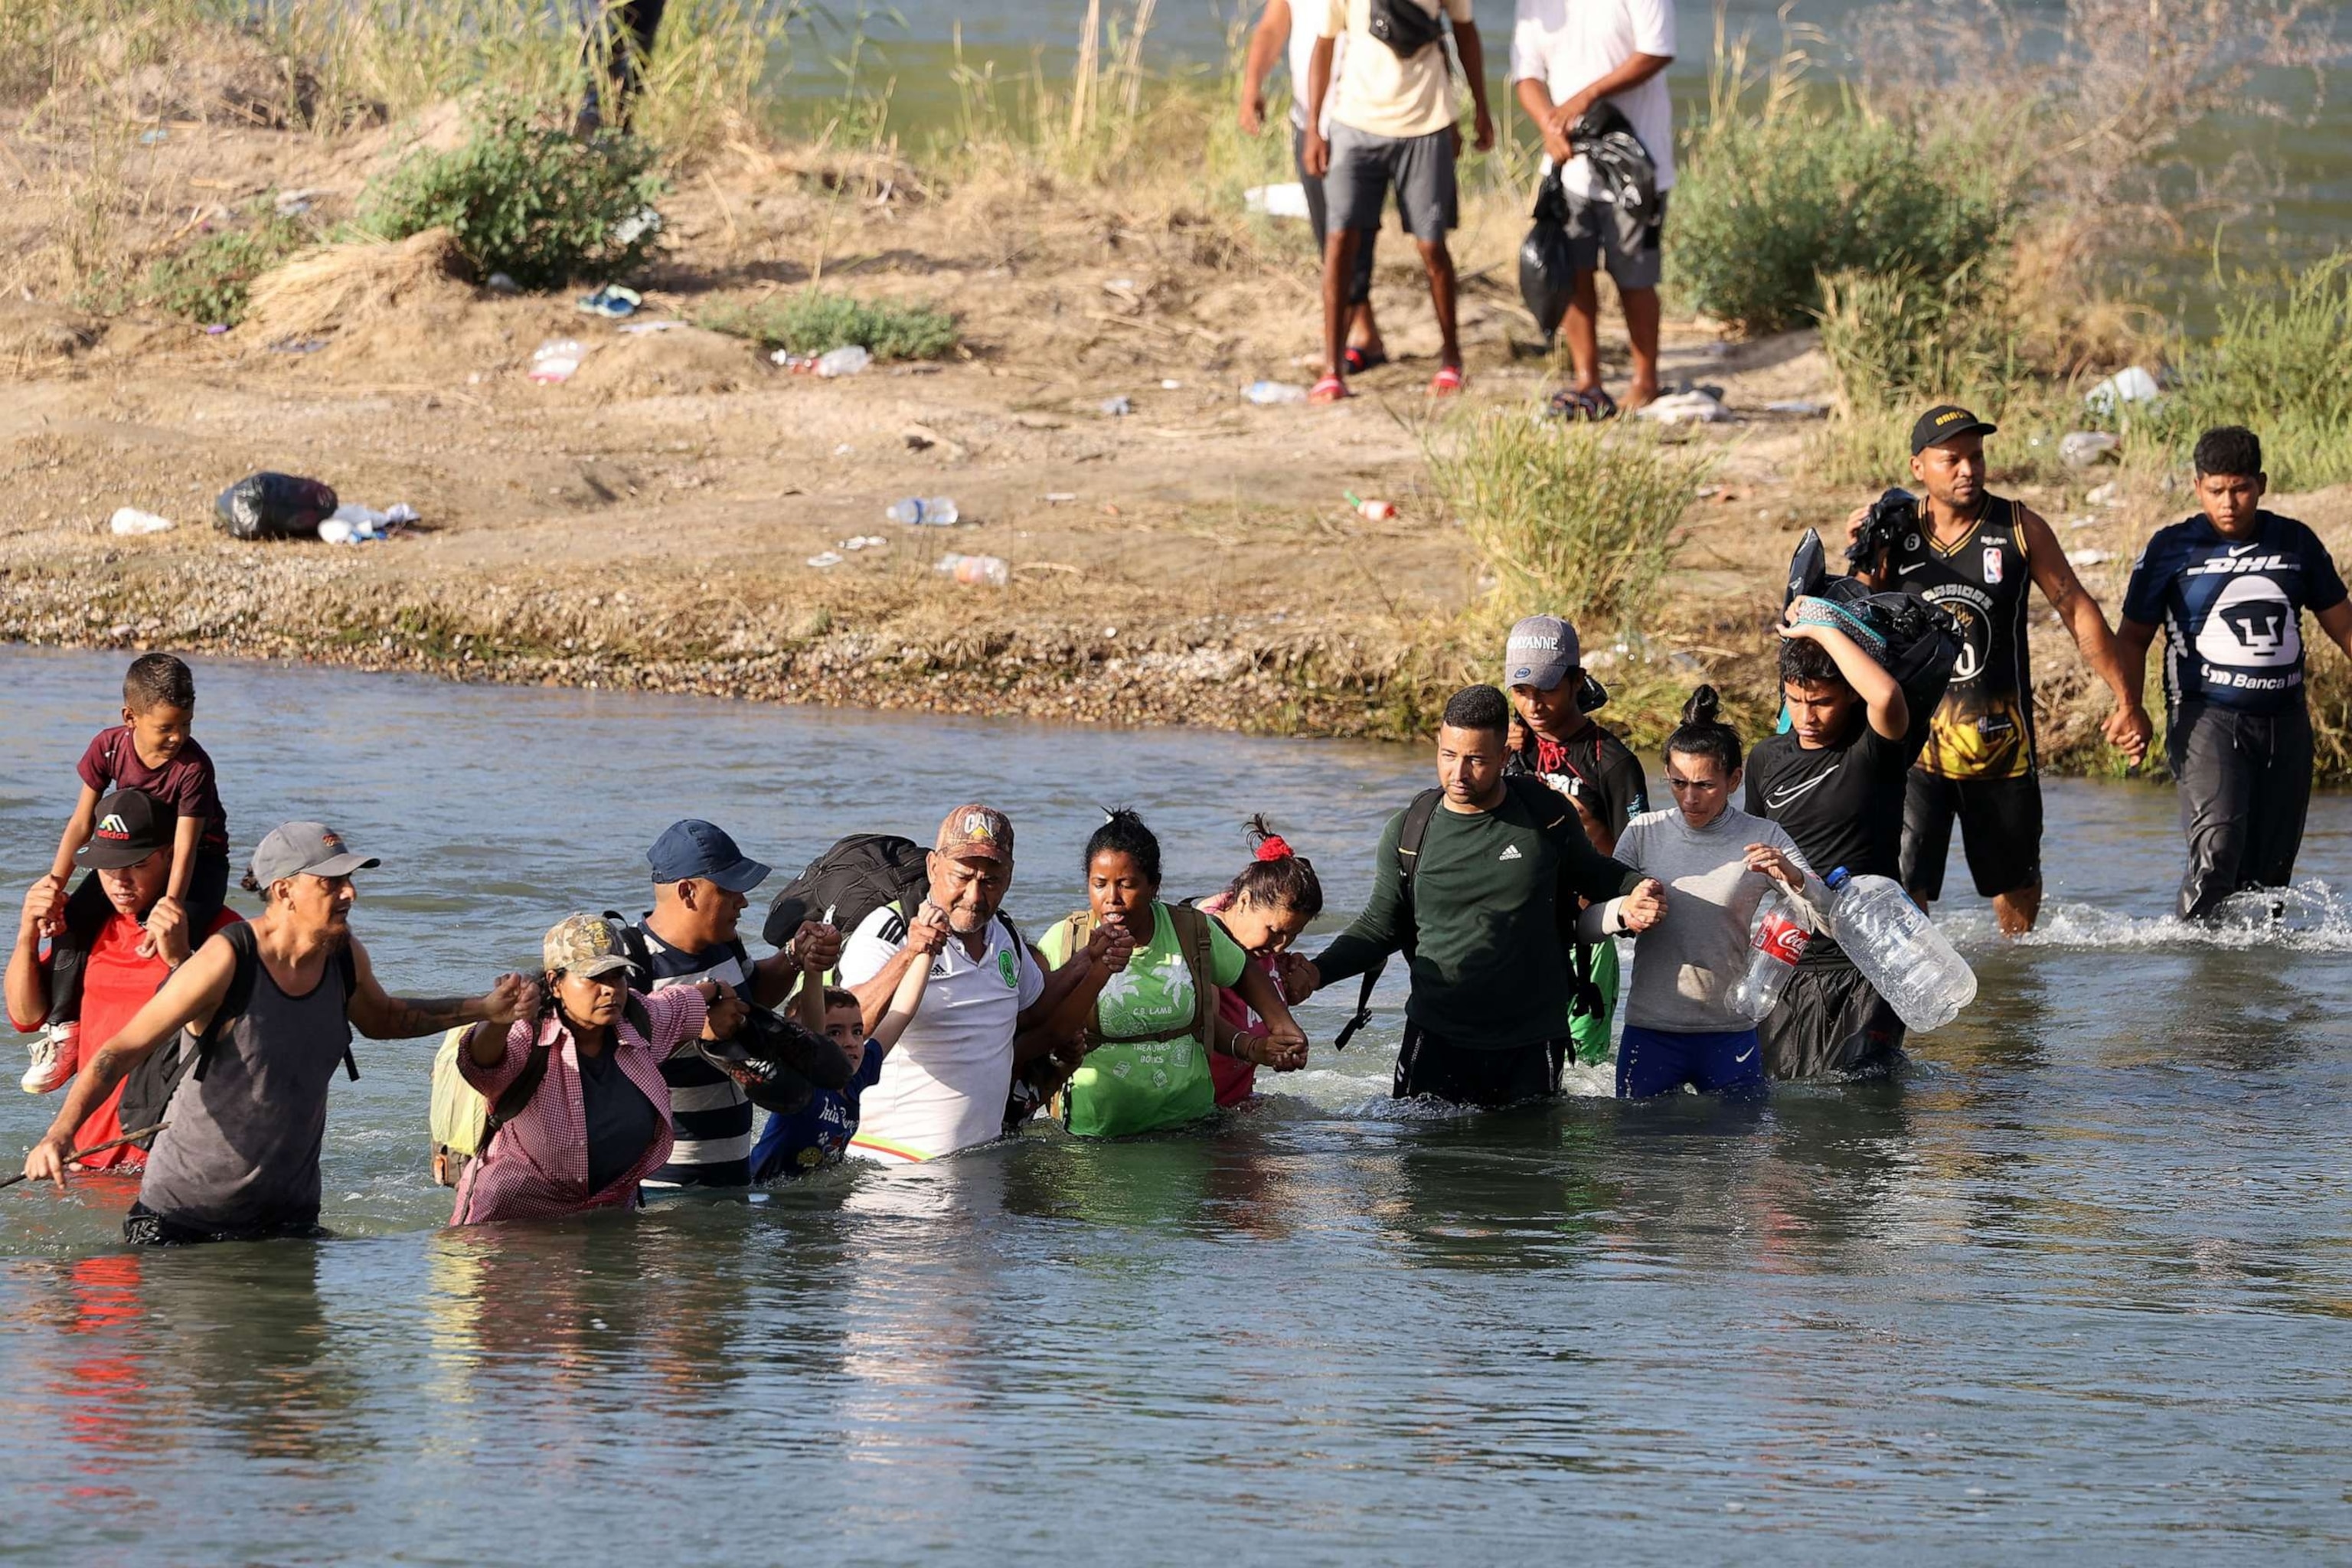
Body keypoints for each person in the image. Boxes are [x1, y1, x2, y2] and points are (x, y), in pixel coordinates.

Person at [20, 822, 534, 1244]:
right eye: (331, 883)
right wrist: (58, 1136)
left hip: (288, 1223)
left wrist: (484, 1008)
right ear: (285, 890)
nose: (349, 893)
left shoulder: (343, 957)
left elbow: (387, 1019)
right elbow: (118, 1053)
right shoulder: (229, 958)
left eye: (349, 880)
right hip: (186, 1226)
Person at [1849, 405, 2153, 935]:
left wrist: (2126, 701)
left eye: (1977, 457)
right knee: (1903, 881)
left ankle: (2014, 992)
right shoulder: (1893, 533)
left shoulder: (2018, 527)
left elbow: (2077, 609)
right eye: (1953, 459)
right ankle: (1915, 996)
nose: (1969, 469)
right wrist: (1863, 547)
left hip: (2002, 748)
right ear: (1919, 467)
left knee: (2016, 886)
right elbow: (1858, 621)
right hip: (1913, 746)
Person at [1284, 684, 1659, 1107]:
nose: (1458, 774)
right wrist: (1316, 974)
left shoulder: (1545, 815)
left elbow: (1592, 873)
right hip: (1437, 1037)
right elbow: (1380, 925)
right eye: (1448, 755)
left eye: (1476, 760)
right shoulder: (1409, 831)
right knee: (1424, 1165)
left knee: (1531, 1170)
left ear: (1504, 756)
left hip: (1532, 1041)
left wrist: (1635, 887)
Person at [2115, 426, 2352, 920]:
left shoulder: (2295, 542)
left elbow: (2344, 624)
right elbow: (2132, 639)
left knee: (2271, 876)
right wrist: (2129, 707)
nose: (2229, 503)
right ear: (2198, 485)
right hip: (2206, 721)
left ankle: (2252, 986)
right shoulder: (2171, 549)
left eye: (2241, 488)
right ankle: (2198, 970)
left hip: (2287, 723)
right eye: (2217, 490)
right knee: (2218, 849)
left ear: (2261, 484)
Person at [1588, 688, 1822, 1099]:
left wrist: (1793, 877)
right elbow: (1586, 925)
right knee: (1636, 1158)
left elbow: (1829, 919)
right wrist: (1624, 913)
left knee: (1738, 1157)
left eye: (1705, 785)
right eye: (1678, 783)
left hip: (1730, 1032)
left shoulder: (1764, 836)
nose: (1690, 798)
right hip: (1650, 1031)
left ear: (1734, 780)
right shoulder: (1643, 834)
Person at [449, 915, 748, 1225]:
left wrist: (716, 989)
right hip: (511, 1223)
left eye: (617, 975)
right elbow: (480, 1064)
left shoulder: (640, 1021)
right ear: (555, 983)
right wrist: (498, 1020)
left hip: (605, 1223)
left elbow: (678, 1001)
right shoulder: (529, 1036)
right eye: (594, 978)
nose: (610, 990)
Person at [23, 653, 230, 1096]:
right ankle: (64, 1030)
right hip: (132, 850)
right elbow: (81, 822)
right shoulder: (109, 747)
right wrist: (55, 885)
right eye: (167, 727)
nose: (179, 737)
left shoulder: (193, 768)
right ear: (129, 717)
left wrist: (171, 905)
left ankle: (175, 1047)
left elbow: (188, 847)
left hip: (199, 861)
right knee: (72, 922)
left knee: (179, 931)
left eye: (187, 724)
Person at [841, 806, 1093, 1166]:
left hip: (982, 1161)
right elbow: (853, 1028)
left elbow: (1035, 1009)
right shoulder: (889, 930)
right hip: (895, 1167)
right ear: (933, 867)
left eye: (990, 881)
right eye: (962, 877)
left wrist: (1089, 961)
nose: (975, 897)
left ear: (1009, 878)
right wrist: (912, 953)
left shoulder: (1004, 935)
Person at [7, 789, 243, 1171]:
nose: (119, 881)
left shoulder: (224, 934)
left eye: (136, 864)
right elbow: (26, 1017)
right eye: (107, 866)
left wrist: (180, 959)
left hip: (172, 1166)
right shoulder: (88, 930)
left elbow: (246, 1046)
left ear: (170, 854)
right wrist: (27, 935)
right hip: (83, 1158)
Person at [1037, 811, 1309, 1138]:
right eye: (1100, 884)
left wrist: (1283, 1026)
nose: (1112, 899)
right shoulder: (1065, 941)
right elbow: (1032, 1023)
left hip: (1189, 1129)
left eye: (1127, 885)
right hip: (1097, 1135)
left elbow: (1243, 971)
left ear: (1154, 886)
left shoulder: (1191, 931)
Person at [1743, 606, 1915, 1080]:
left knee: (1859, 1090)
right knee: (1783, 1097)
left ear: (1850, 696)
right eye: (1795, 700)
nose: (1807, 715)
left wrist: (1821, 629)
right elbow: (1754, 862)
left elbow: (1886, 693)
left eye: (1821, 701)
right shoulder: (1766, 759)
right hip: (1790, 959)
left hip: (1871, 961)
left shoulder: (1872, 750)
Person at [625, 818, 843, 1190]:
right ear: (688, 892)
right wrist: (698, 1028)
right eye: (730, 890)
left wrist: (794, 955)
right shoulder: (634, 963)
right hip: (665, 1186)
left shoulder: (723, 944)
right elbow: (616, 1055)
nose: (743, 901)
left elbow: (755, 992)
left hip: (735, 1174)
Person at [1302, 0, 1494, 403]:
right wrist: (1314, 130)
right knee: (1339, 243)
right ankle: (1332, 370)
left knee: (1431, 246)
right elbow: (1323, 45)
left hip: (1427, 123)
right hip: (1354, 123)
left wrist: (1480, 109)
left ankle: (1451, 361)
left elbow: (1465, 33)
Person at [1508, 0, 1676, 413]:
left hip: (1638, 167)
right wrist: (1549, 121)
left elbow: (1656, 51)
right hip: (1569, 168)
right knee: (1572, 272)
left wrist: (1587, 96)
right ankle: (1589, 381)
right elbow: (1526, 74)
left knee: (1635, 277)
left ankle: (1645, 381)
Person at [1501, 612, 1648, 1067]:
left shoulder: (1613, 762)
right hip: (1517, 929)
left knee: (1582, 1069)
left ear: (1577, 681)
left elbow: (1637, 857)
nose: (1534, 705)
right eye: (1522, 692)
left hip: (1586, 934)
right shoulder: (1506, 748)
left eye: (1546, 690)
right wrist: (1497, 755)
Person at [1240, 0, 1386, 374]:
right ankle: (1365, 336)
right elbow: (1273, 26)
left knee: (1349, 235)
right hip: (1307, 121)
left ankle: (1333, 356)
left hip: (1363, 119)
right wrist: (1252, 85)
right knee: (1329, 236)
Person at [750, 939, 939, 1181]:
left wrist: (927, 949)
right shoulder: (805, 1083)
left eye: (858, 1031)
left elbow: (900, 1013)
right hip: (766, 1194)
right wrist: (814, 968)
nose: (851, 1042)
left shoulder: (856, 1078)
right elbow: (813, 1034)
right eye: (835, 1032)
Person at [1197, 816, 1325, 1108]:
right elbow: (1206, 1024)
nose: (1280, 945)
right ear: (1242, 902)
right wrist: (1257, 1049)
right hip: (1198, 1114)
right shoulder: (1204, 944)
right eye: (1275, 931)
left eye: (1294, 935)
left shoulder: (1265, 952)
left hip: (1238, 1105)